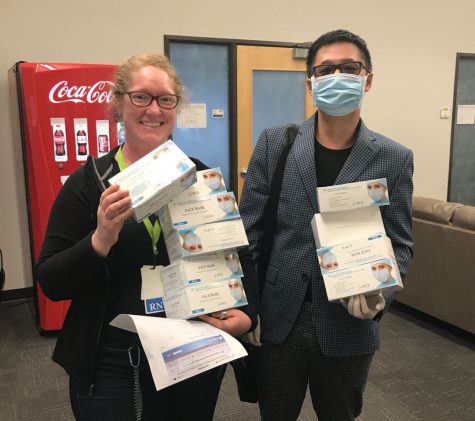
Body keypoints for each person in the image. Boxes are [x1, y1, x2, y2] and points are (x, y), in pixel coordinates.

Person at [35, 53, 258, 421]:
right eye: (141, 97)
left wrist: (247, 316)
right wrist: (100, 239)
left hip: (193, 349)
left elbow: (239, 257)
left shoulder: (201, 179)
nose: (153, 109)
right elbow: (51, 281)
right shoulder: (90, 183)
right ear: (119, 105)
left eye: (165, 99)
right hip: (115, 358)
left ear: (175, 108)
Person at [239, 29, 413, 420]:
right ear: (310, 82)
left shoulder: (394, 158)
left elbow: (399, 243)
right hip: (279, 318)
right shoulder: (275, 143)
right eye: (326, 69)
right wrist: (248, 305)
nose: (337, 76)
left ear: (367, 79)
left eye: (349, 68)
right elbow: (248, 233)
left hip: (349, 325)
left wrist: (381, 294)